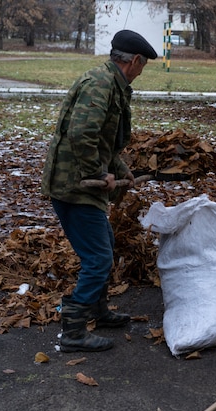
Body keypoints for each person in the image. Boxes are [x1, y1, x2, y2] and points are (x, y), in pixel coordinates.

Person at [41, 29, 157, 352]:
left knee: (104, 243)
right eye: (142, 66)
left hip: (80, 182)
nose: (141, 72)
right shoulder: (101, 85)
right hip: (74, 186)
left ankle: (97, 310)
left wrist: (121, 171)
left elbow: (103, 141)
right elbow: (81, 134)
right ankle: (74, 331)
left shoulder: (112, 85)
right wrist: (99, 172)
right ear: (134, 61)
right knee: (99, 258)